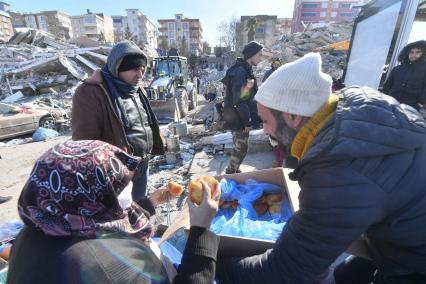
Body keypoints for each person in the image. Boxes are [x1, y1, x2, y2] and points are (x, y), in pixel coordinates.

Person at [195, 53, 426, 283]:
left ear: (293, 116)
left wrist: (202, 267)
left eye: (265, 121)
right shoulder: (351, 102)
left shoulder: (336, 173)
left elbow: (282, 269)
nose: (264, 131)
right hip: (396, 237)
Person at [7, 140, 220, 284]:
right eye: (118, 184)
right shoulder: (115, 268)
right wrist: (201, 229)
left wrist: (151, 201)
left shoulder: (33, 233)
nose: (128, 185)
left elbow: (106, 221)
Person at [72, 41, 165, 216]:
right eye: (134, 68)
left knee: (139, 210)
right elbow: (84, 142)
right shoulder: (91, 92)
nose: (140, 73)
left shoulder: (137, 90)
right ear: (117, 66)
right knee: (119, 216)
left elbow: (146, 122)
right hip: (116, 172)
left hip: (141, 165)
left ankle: (140, 236)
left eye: (142, 68)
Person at [221, 41, 263, 174]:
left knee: (243, 147)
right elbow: (239, 100)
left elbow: (244, 94)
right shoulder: (240, 72)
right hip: (238, 117)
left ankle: (234, 170)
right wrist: (247, 121)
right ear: (251, 55)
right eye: (259, 55)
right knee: (241, 147)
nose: (260, 58)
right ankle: (230, 173)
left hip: (239, 115)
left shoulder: (245, 70)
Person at [382, 40, 426, 111]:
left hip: (411, 107)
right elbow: (387, 86)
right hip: (391, 103)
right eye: (411, 52)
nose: (414, 55)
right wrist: (384, 98)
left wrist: (421, 102)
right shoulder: (397, 69)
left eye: (418, 52)